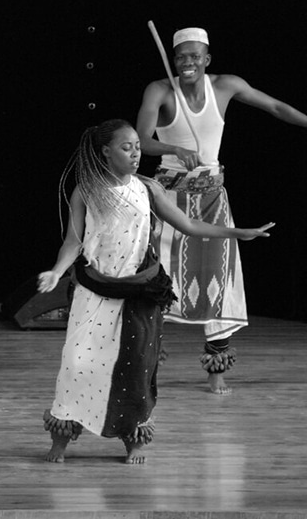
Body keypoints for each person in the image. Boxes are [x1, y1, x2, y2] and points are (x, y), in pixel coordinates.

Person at [37, 119, 273, 464]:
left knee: (137, 369)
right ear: (105, 151)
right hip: (95, 292)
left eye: (137, 146)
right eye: (126, 147)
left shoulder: (148, 188)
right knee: (77, 364)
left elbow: (188, 224)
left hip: (140, 294)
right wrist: (57, 272)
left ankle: (133, 443)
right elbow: (73, 242)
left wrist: (239, 233)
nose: (135, 153)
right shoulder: (87, 190)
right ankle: (61, 440)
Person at [136, 27, 307, 394]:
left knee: (220, 282)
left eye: (195, 56)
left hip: (212, 199)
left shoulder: (227, 86)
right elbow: (140, 141)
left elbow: (276, 107)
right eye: (181, 56)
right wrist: (175, 148)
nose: (187, 63)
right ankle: (146, 370)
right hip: (167, 197)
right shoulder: (159, 90)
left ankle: (216, 372)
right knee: (156, 280)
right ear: (174, 58)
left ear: (207, 59)